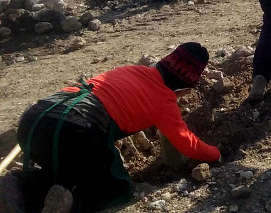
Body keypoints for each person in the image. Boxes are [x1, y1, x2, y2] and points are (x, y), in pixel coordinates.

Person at [12, 42, 220, 213]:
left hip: (34, 120)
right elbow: (188, 144)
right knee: (113, 188)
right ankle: (67, 205)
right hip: (74, 131)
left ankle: (18, 188)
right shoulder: (164, 101)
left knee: (68, 169)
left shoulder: (132, 70)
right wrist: (216, 154)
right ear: (182, 89)